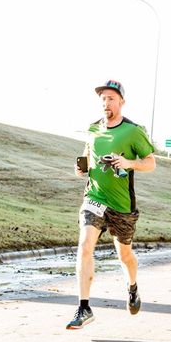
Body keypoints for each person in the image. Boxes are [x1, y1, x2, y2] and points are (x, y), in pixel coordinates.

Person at [66, 80, 156, 329]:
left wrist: (129, 163)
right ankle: (84, 307)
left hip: (122, 204)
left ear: (121, 102)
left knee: (124, 254)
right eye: (103, 98)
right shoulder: (93, 129)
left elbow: (150, 163)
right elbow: (86, 157)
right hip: (94, 198)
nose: (106, 103)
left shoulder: (133, 131)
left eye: (111, 98)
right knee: (85, 245)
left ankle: (132, 287)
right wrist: (79, 169)